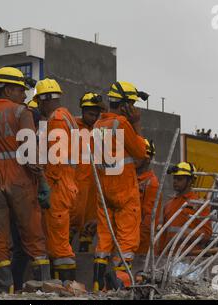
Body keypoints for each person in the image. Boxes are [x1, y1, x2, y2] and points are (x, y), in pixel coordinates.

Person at [0, 68, 50, 292]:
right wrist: (42, 180)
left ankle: (5, 290)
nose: (24, 96)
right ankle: (43, 287)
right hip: (20, 178)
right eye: (21, 90)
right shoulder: (21, 112)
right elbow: (30, 152)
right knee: (34, 234)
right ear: (9, 89)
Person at [92, 81, 149, 292]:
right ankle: (120, 288)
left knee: (104, 242)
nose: (134, 107)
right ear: (125, 105)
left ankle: (98, 288)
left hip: (103, 190)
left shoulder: (98, 125)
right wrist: (137, 124)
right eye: (132, 103)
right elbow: (141, 153)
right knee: (126, 243)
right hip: (124, 190)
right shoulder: (122, 123)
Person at [34, 78, 79, 281]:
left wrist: (46, 182)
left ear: (44, 100)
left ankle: (66, 288)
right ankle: (60, 285)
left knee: (60, 244)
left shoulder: (57, 119)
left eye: (38, 102)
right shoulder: (66, 116)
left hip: (58, 185)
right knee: (55, 240)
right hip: (66, 182)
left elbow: (56, 158)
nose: (38, 106)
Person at [69, 93, 103, 253]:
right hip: (77, 182)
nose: (94, 117)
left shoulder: (100, 129)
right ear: (83, 110)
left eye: (97, 114)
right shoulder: (73, 126)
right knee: (72, 219)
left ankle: (85, 254)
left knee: (90, 223)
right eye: (91, 114)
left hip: (94, 184)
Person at [161, 162, 212, 251]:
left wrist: (187, 235)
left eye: (179, 179)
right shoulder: (168, 205)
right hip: (167, 257)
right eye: (175, 178)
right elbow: (163, 235)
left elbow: (207, 234)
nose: (175, 182)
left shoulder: (199, 204)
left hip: (188, 257)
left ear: (190, 181)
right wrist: (158, 253)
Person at [135, 139, 162, 256]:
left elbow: (149, 221)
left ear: (147, 159)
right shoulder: (130, 179)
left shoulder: (151, 183)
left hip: (139, 249)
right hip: (123, 241)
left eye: (136, 155)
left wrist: (133, 242)